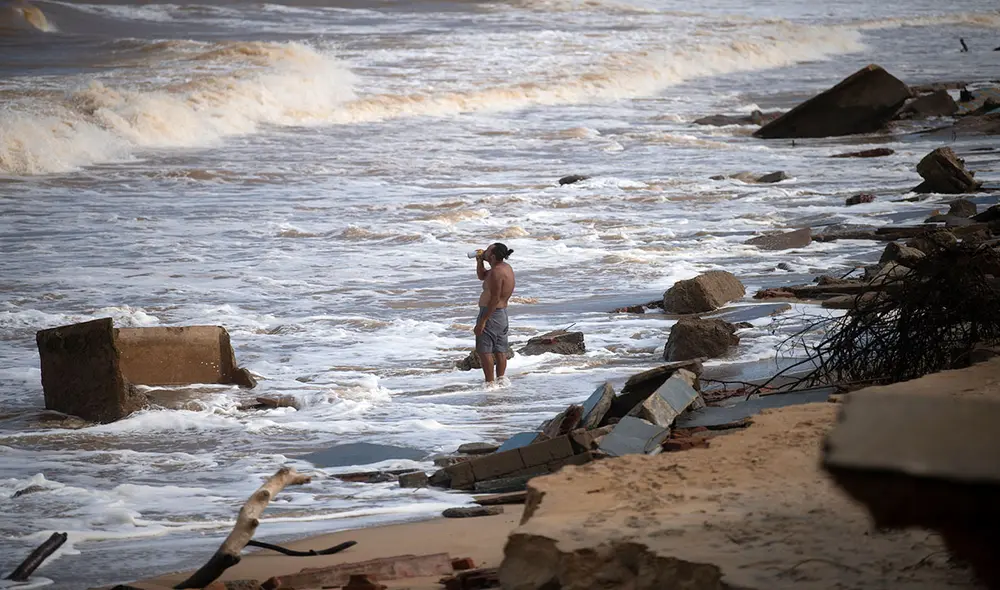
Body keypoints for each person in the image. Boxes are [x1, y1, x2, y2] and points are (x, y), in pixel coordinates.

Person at [474, 243, 516, 386]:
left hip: (491, 313)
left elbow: (495, 298)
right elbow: (482, 276)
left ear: (492, 256)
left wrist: (483, 321)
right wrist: (480, 260)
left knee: (484, 350)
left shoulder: (496, 272)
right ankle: (501, 380)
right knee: (500, 348)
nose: (484, 251)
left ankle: (490, 384)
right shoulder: (504, 268)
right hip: (501, 314)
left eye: (487, 251)